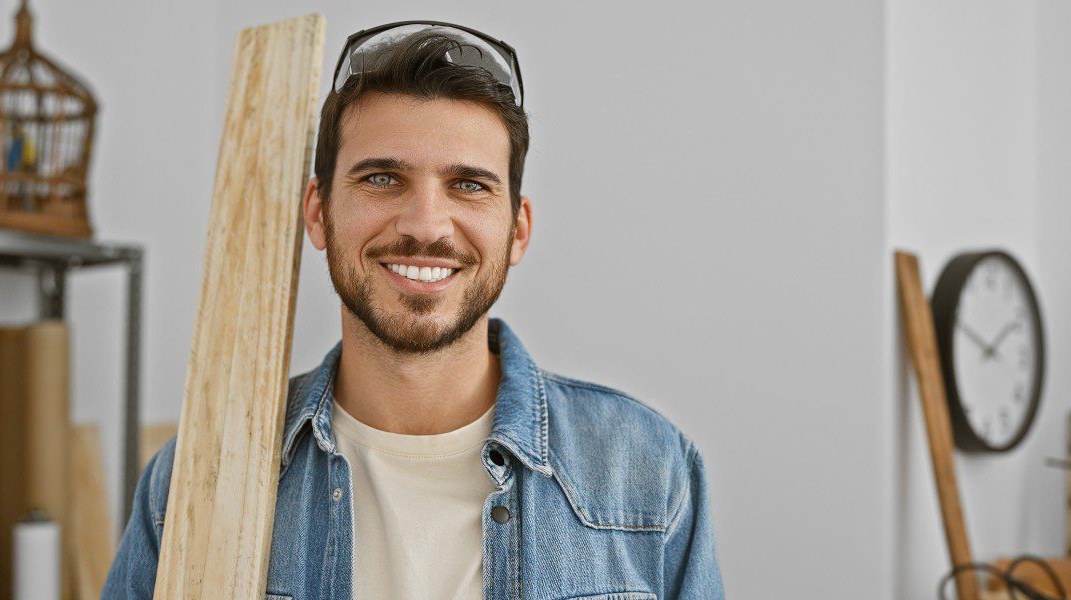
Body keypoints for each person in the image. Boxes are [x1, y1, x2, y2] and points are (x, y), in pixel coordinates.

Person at [103, 21, 724, 599]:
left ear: (518, 231)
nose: (426, 224)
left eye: (469, 185)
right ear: (317, 212)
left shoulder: (646, 469)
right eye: (381, 179)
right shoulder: (194, 482)